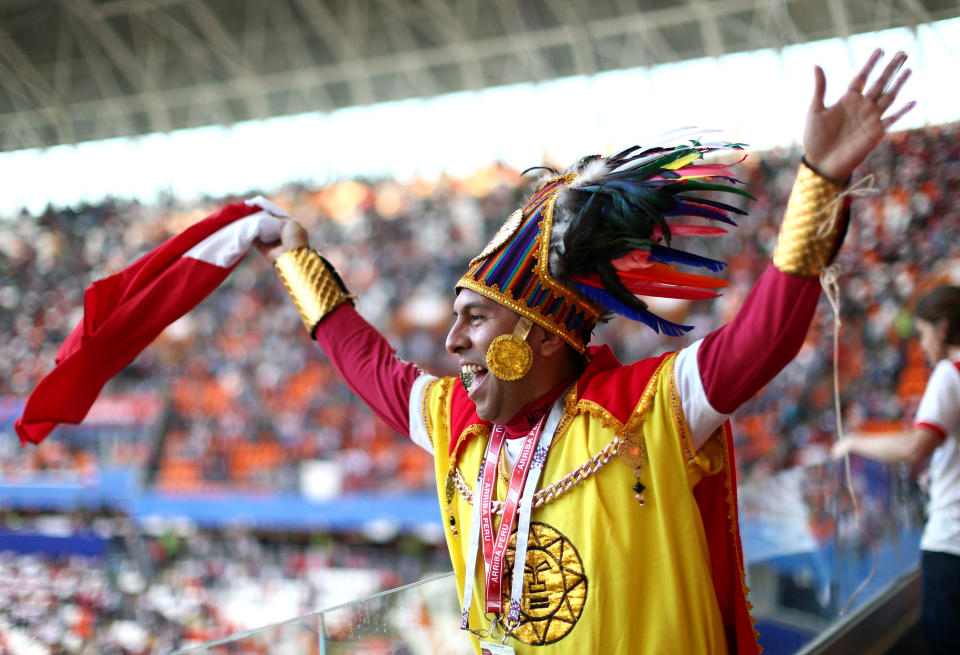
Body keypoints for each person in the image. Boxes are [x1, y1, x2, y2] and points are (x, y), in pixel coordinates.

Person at [258, 49, 913, 654]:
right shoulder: (457, 419)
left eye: (475, 318)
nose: (452, 340)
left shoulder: (646, 410)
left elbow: (763, 338)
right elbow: (369, 364)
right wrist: (297, 260)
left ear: (541, 335)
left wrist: (820, 180)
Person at [833, 285, 960, 655]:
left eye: (922, 334)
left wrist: (853, 442)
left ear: (943, 327)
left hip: (951, 544)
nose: (922, 346)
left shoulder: (949, 374)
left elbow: (916, 446)